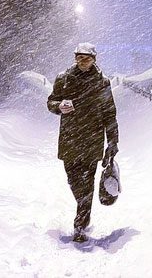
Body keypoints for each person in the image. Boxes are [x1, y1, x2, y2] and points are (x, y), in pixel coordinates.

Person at [47, 42, 119, 243]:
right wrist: (59, 106)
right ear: (75, 58)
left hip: (92, 140)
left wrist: (112, 141)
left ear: (94, 60)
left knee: (86, 184)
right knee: (73, 181)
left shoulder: (101, 83)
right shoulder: (63, 79)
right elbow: (50, 102)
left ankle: (80, 225)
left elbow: (109, 114)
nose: (83, 62)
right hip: (70, 139)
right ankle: (82, 207)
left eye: (87, 58)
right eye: (79, 58)